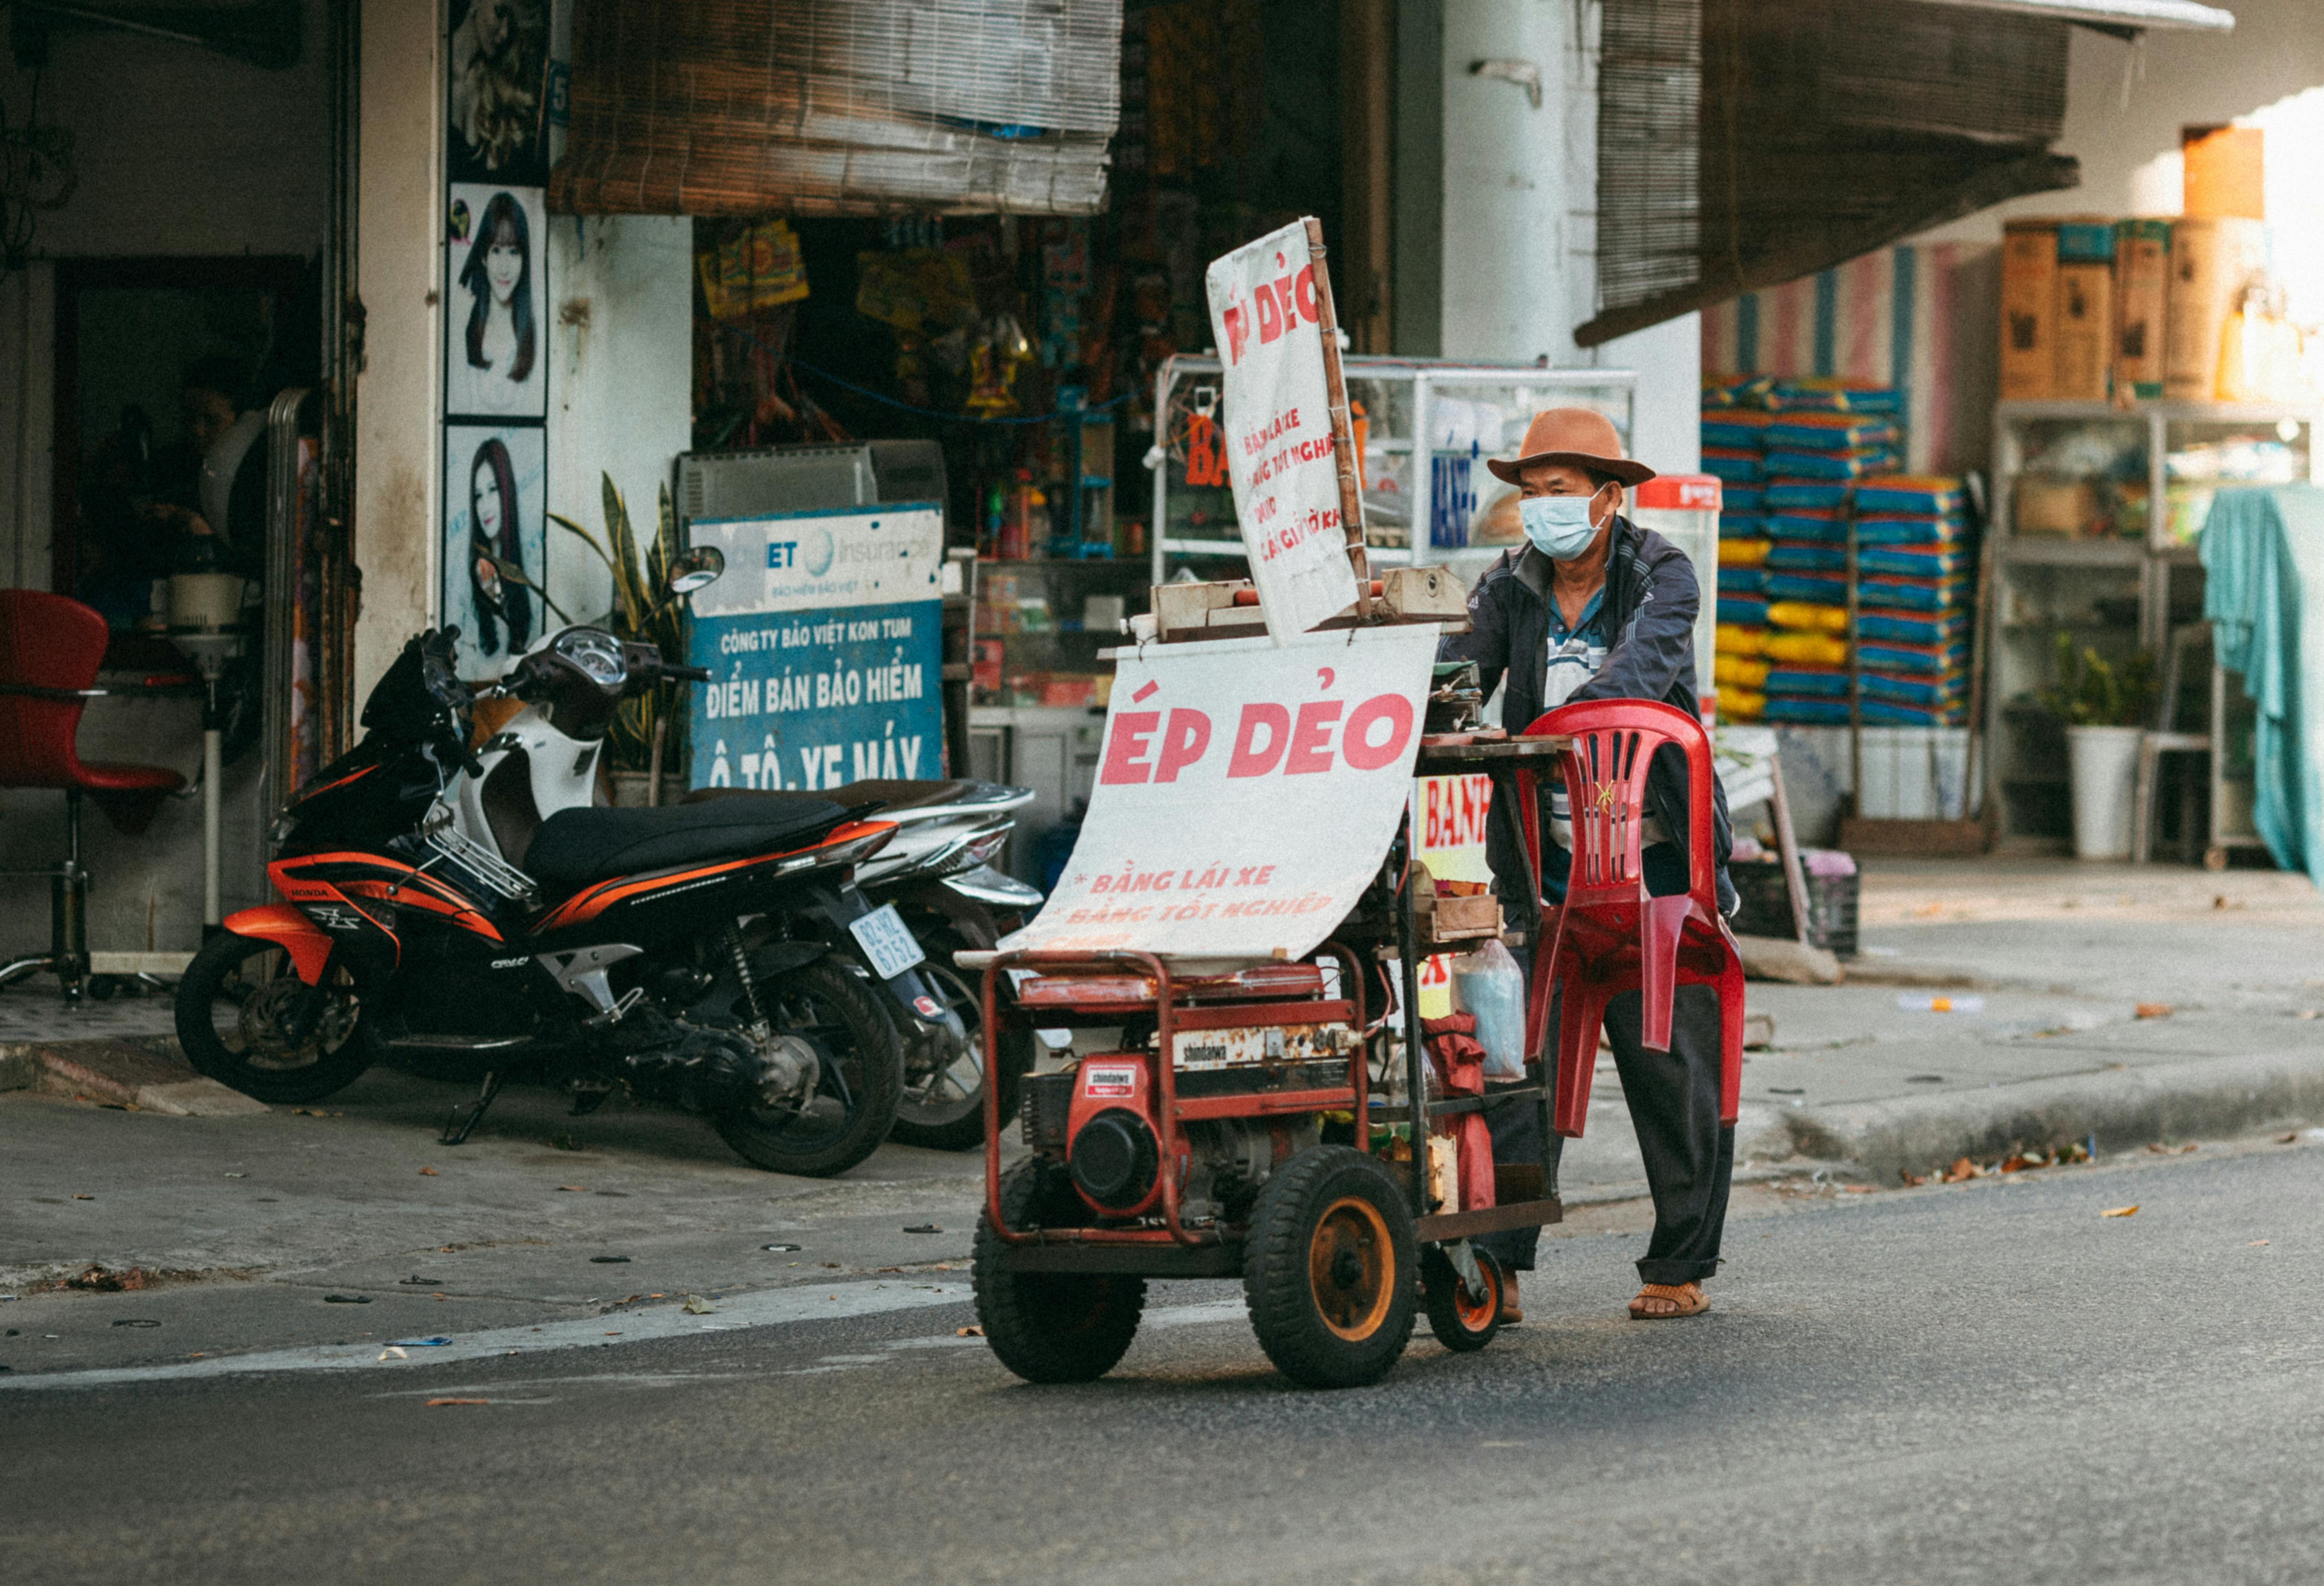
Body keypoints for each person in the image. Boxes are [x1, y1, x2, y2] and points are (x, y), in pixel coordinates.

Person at [1439, 407, 1737, 1324]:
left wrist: (1541, 734)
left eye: (1557, 492)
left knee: (1667, 1062)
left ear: (1608, 498)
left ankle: (1679, 1264)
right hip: (1547, 870)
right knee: (1513, 1059)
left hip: (1656, 865)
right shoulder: (1507, 583)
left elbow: (1638, 676)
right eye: (1529, 494)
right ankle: (1497, 1267)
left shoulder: (1660, 572)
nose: (1539, 511)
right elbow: (1459, 673)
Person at [449, 192, 539, 415]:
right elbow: (460, 407)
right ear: (484, 257)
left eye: (514, 252)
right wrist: (458, 327)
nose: (505, 267)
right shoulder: (468, 325)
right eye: (497, 251)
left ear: (524, 259)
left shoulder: (529, 331)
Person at [465, 436, 533, 657]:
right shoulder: (482, 571)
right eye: (478, 496)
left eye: (493, 490)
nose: (484, 507)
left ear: (506, 493)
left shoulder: (519, 575)